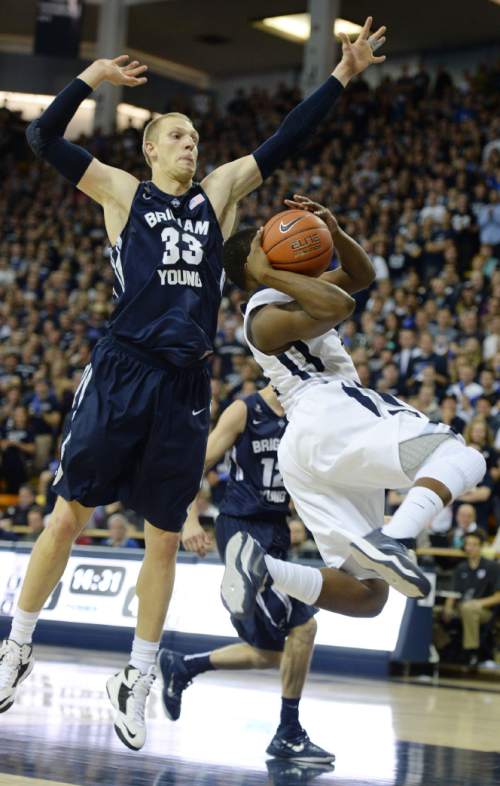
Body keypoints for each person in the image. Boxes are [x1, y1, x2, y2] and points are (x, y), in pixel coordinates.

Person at [0, 20, 388, 750]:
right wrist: (91, 78)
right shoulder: (120, 192)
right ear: (150, 148)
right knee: (65, 517)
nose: (192, 145)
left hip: (185, 384)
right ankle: (18, 642)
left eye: (193, 139)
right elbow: (43, 141)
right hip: (123, 370)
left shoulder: (217, 194)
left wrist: (343, 75)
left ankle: (139, 673)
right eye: (177, 136)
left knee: (166, 541)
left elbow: (285, 142)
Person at [218, 195, 487, 620]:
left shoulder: (291, 296)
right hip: (329, 409)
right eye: (266, 245)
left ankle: (262, 568)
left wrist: (336, 234)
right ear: (255, 265)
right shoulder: (264, 315)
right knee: (461, 454)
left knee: (369, 594)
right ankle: (395, 538)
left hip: (307, 449)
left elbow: (361, 276)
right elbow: (342, 305)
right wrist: (268, 272)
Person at [158, 385, 334, 762]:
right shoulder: (244, 410)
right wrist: (189, 519)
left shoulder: (305, 417)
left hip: (276, 531)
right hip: (241, 527)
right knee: (304, 627)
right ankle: (288, 732)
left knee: (271, 654)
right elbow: (193, 466)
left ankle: (183, 666)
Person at [441, 530, 500, 667]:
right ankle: (444, 648)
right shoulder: (460, 568)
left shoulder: (492, 567)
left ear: (482, 546)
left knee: (469, 608)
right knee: (434, 613)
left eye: (474, 544)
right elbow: (453, 593)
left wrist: (478, 603)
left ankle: (471, 652)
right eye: (468, 544)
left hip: (484, 611)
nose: (470, 548)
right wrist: (448, 607)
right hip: (461, 607)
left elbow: (498, 596)